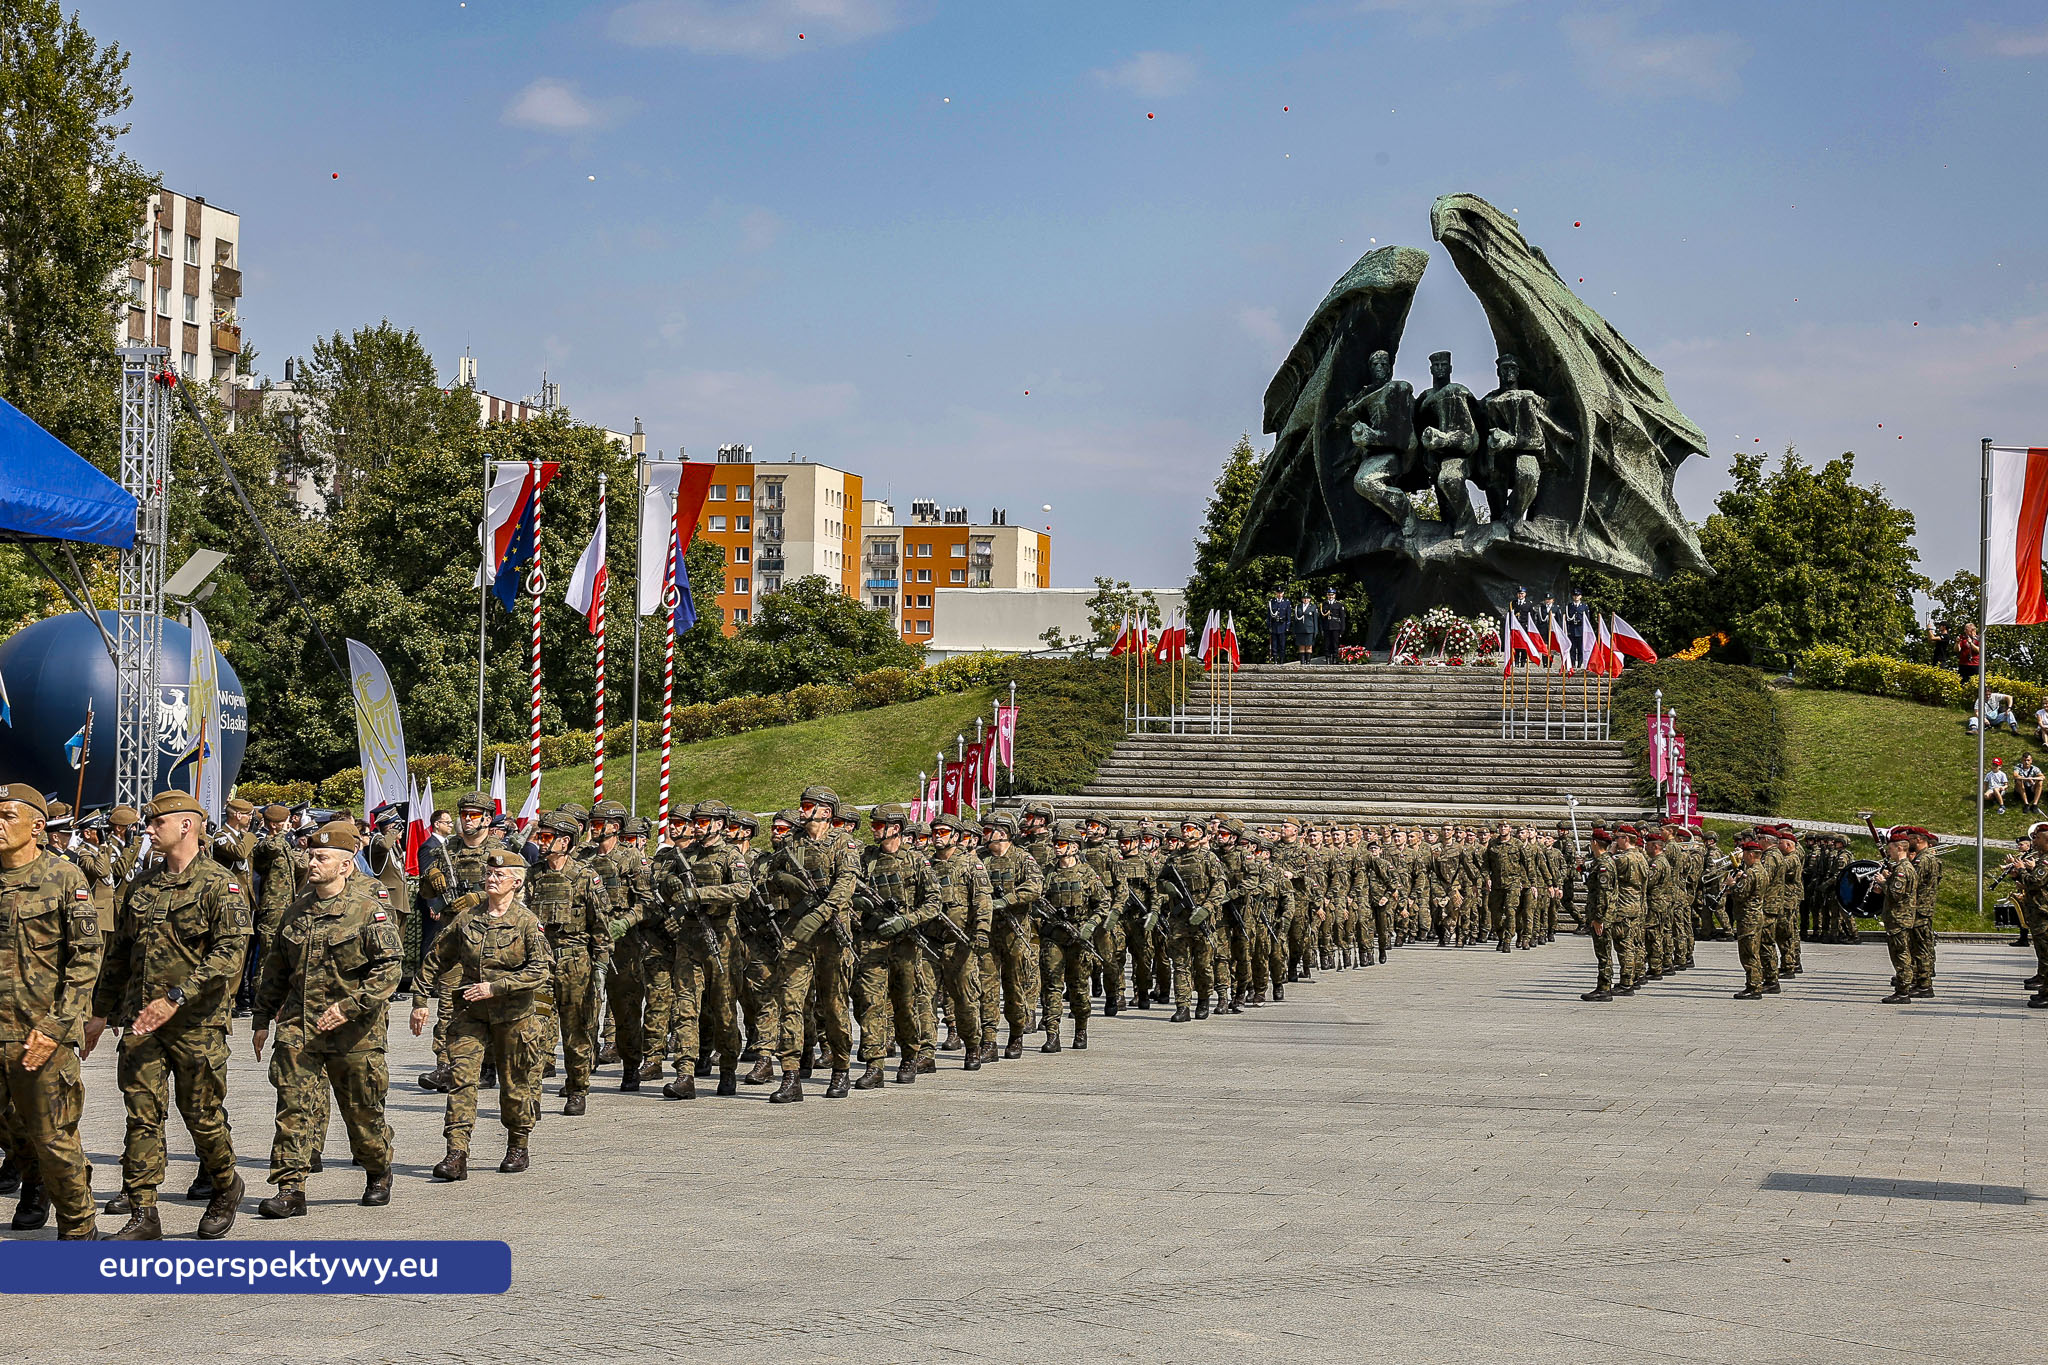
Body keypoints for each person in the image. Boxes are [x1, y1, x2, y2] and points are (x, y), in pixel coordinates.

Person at [87, 790, 252, 1241]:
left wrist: (177, 997)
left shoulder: (222, 885)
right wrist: (99, 1014)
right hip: (143, 1023)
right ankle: (144, 1212)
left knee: (201, 1114)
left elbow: (229, 954)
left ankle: (225, 1183)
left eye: (157, 823)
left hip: (196, 1023)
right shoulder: (141, 887)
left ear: (186, 826)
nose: (149, 831)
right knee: (142, 1114)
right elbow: (118, 955)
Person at [249, 819, 403, 1218]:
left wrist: (350, 1006)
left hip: (355, 1034)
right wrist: (263, 1017)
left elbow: (388, 970)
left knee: (362, 1112)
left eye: (322, 857)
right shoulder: (296, 911)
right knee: (293, 1108)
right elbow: (276, 969)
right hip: (300, 1027)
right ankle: (290, 1188)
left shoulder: (369, 911)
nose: (312, 862)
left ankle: (377, 1169)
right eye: (311, 855)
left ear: (346, 865)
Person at [0, 783, 103, 1239]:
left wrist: (56, 1027)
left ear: (38, 827)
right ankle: (36, 1181)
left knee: (54, 1137)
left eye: (7, 816)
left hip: (40, 1031)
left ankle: (79, 1229)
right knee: (12, 1131)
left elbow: (85, 959)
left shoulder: (63, 878)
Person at [411, 849, 551, 1179]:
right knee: (461, 1081)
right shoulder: (468, 918)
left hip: (514, 1016)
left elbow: (540, 971)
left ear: (517, 881)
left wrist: (496, 986)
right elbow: (436, 959)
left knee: (516, 1084)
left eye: (499, 875)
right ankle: (456, 1154)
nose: (491, 878)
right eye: (489, 873)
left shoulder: (527, 923)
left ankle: (518, 1145)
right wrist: (419, 1001)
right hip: (471, 1013)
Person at [1872, 827, 1923, 1004]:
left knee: (1901, 956)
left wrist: (1883, 882)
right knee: (1901, 954)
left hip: (1899, 918)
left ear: (1900, 848)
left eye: (1891, 848)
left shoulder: (1903, 869)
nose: (1888, 851)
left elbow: (1896, 894)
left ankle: (1903, 991)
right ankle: (1903, 988)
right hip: (1900, 918)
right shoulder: (1902, 868)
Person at [1320, 589, 1348, 662]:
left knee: (1335, 643)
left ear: (1335, 595)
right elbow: (1321, 618)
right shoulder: (1324, 604)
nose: (1330, 596)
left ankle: (1335, 657)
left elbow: (1342, 618)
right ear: (1327, 595)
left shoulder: (1339, 605)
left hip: (1336, 626)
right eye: (1329, 595)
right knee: (1327, 643)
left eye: (1332, 595)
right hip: (1327, 626)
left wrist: (1342, 629)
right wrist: (1321, 628)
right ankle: (1328, 657)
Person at [1292, 593, 1320, 665]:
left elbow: (1315, 620)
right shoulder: (1298, 607)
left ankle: (1308, 662)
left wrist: (1316, 630)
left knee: (1309, 646)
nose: (1305, 599)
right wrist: (1294, 630)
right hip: (1300, 629)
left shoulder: (1313, 607)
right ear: (1302, 599)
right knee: (1301, 646)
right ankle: (1302, 662)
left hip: (1309, 630)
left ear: (1310, 599)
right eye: (1304, 598)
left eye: (1307, 598)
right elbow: (1295, 620)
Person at [1266, 590, 1291, 664]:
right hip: (1274, 625)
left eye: (1281, 593)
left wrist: (1287, 626)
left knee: (1282, 644)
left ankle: (1282, 660)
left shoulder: (1286, 602)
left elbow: (1288, 616)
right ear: (1276, 593)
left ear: (1283, 593)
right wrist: (1269, 626)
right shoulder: (1272, 602)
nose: (1279, 594)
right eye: (1278, 593)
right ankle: (1275, 659)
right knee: (1274, 644)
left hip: (1282, 625)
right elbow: (1269, 616)